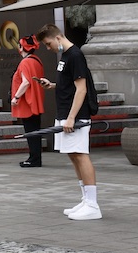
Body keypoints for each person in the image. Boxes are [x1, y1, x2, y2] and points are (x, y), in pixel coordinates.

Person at [35, 23, 102, 221]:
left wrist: (72, 117)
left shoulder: (75, 55)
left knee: (81, 155)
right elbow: (70, 84)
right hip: (66, 113)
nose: (48, 48)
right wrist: (54, 85)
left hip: (76, 115)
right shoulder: (66, 56)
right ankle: (85, 200)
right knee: (73, 155)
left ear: (57, 38)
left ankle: (92, 204)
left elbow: (81, 89)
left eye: (48, 44)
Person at [11, 34, 46, 168]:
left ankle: (34, 159)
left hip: (28, 102)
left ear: (22, 47)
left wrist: (16, 97)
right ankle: (35, 158)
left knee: (31, 132)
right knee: (35, 131)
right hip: (35, 101)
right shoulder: (36, 60)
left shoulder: (25, 62)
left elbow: (25, 83)